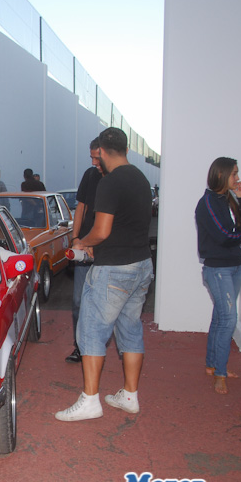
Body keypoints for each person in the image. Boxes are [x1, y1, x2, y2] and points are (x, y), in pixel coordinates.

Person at [55, 127, 153, 422]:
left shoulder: (109, 183)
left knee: (90, 332)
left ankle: (90, 401)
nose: (94, 162)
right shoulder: (141, 179)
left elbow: (101, 231)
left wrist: (82, 242)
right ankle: (130, 396)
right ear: (125, 149)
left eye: (96, 156)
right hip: (142, 265)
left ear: (103, 151)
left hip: (114, 270)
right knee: (130, 330)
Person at [194, 157, 241, 394]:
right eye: (234, 174)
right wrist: (239, 234)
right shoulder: (207, 202)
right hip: (218, 269)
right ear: (221, 175)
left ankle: (212, 365)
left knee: (221, 317)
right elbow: (223, 236)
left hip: (234, 265)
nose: (238, 178)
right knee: (228, 319)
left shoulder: (230, 199)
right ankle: (220, 372)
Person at [66, 138, 103, 363]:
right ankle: (80, 347)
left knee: (103, 304)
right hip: (83, 252)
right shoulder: (90, 175)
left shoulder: (118, 179)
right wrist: (76, 238)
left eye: (97, 157)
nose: (93, 162)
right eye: (91, 157)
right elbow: (81, 207)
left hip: (107, 253)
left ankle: (95, 348)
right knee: (79, 301)